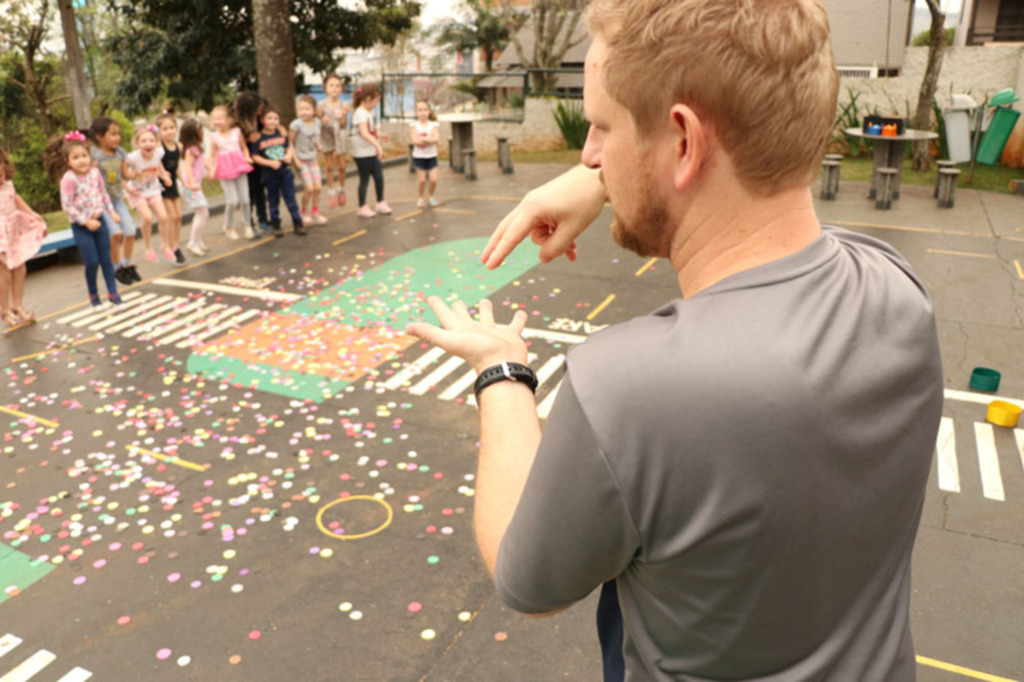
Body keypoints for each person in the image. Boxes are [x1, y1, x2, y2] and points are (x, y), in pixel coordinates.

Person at [405, 1, 945, 680]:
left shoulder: (632, 388)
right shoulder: (898, 291)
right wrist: (609, 179)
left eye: (601, 128)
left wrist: (500, 373)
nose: (588, 155)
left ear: (684, 142)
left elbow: (527, 583)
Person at [44, 131, 122, 308]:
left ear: (90, 156)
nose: (81, 160)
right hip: (82, 227)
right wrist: (86, 221)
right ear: (67, 161)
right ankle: (94, 295)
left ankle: (113, 292)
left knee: (106, 260)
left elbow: (103, 193)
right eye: (75, 157)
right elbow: (67, 205)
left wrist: (112, 212)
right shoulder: (68, 179)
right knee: (92, 261)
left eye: (84, 156)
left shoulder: (95, 173)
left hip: (100, 222)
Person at [89, 117, 141, 284]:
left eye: (118, 134)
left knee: (131, 231)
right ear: (99, 136)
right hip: (101, 201)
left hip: (117, 198)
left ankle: (127, 265)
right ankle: (116, 267)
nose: (117, 137)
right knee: (115, 232)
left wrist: (138, 174)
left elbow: (125, 174)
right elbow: (87, 177)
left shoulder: (120, 152)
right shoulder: (94, 154)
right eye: (112, 134)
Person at [0, 146, 47, 326]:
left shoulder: (8, 184)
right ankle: (4, 309)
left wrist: (32, 214)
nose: (1, 178)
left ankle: (17, 305)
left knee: (20, 268)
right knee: (4, 274)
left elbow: (15, 199)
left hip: (13, 231)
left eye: (1, 173)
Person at [250, 105, 306, 238]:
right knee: (273, 199)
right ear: (262, 120)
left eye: (276, 118)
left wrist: (288, 156)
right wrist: (269, 163)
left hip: (285, 172)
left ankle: (297, 222)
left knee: (290, 198)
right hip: (269, 174)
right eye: (269, 118)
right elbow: (255, 156)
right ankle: (276, 223)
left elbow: (289, 147)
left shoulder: (281, 134)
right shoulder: (258, 138)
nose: (273, 121)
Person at [124, 126, 173, 263]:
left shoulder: (158, 153)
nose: (148, 143)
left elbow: (159, 166)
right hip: (137, 192)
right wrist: (128, 187)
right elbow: (122, 174)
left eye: (151, 140)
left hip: (153, 189)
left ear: (156, 143)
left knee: (163, 217)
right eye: (144, 141)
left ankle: (165, 245)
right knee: (148, 218)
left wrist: (165, 177)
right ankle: (148, 247)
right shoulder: (132, 158)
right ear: (137, 144)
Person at [208, 104, 254, 240]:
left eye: (220, 118)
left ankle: (247, 224)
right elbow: (212, 155)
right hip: (225, 170)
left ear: (229, 120)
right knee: (232, 201)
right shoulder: (214, 136)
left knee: (245, 199)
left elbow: (244, 147)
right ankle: (229, 226)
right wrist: (211, 169)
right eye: (214, 119)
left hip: (239, 166)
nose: (217, 122)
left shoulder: (236, 132)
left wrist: (247, 156)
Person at [233, 92, 274, 237]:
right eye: (258, 108)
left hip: (258, 160)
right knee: (248, 194)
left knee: (259, 191)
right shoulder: (237, 123)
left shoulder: (258, 119)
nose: (260, 110)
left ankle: (263, 219)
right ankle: (248, 222)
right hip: (244, 162)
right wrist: (247, 139)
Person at [350, 84, 391, 218]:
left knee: (379, 177)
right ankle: (362, 206)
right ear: (368, 99)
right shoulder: (360, 113)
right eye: (377, 100)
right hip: (362, 153)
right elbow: (363, 133)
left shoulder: (368, 113)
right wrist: (377, 145)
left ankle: (380, 202)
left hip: (371, 152)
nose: (377, 103)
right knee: (364, 179)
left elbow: (370, 131)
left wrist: (380, 135)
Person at [290, 95, 327, 225]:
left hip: (312, 160)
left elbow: (316, 136)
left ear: (314, 110)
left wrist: (318, 144)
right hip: (301, 160)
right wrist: (295, 160)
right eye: (301, 109)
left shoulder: (317, 122)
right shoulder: (296, 125)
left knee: (318, 188)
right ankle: (303, 212)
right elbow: (290, 142)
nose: (303, 112)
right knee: (309, 188)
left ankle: (315, 212)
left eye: (307, 109)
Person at [178, 118, 210, 257]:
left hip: (194, 185)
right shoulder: (192, 149)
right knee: (203, 213)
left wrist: (210, 169)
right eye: (200, 130)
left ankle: (197, 240)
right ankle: (193, 243)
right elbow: (187, 167)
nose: (202, 132)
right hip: (190, 186)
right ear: (194, 133)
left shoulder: (196, 148)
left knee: (201, 212)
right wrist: (191, 183)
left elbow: (202, 162)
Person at [156, 113, 185, 264]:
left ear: (176, 128)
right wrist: (163, 175)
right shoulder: (158, 148)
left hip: (172, 183)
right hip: (162, 185)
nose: (169, 131)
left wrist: (185, 182)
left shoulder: (178, 146)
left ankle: (176, 245)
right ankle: (168, 246)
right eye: (165, 128)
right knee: (171, 216)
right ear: (159, 131)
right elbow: (155, 165)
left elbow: (178, 168)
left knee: (178, 216)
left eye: (171, 127)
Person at [318, 74, 349, 209]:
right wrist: (322, 119)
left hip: (339, 136)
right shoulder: (321, 104)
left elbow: (343, 125)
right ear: (325, 87)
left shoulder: (344, 105)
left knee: (341, 166)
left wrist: (344, 115)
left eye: (338, 86)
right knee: (329, 166)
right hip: (326, 135)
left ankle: (341, 189)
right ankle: (331, 191)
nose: (335, 88)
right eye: (331, 85)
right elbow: (318, 119)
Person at [409, 100, 440, 208]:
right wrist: (429, 139)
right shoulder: (414, 125)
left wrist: (423, 138)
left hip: (431, 156)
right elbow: (415, 141)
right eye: (420, 110)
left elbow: (436, 138)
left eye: (425, 109)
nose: (423, 112)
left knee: (433, 179)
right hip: (419, 157)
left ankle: (430, 196)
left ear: (429, 111)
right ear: (416, 112)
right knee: (422, 180)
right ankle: (421, 197)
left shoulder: (433, 125)